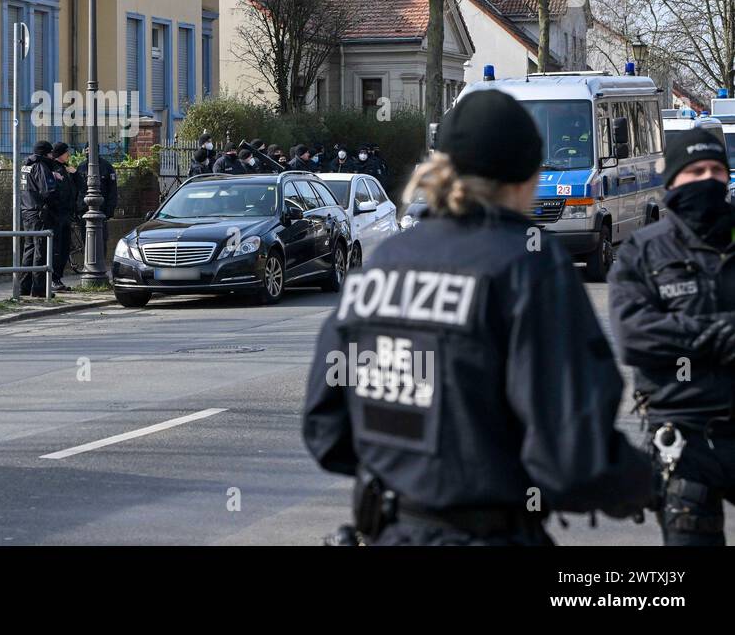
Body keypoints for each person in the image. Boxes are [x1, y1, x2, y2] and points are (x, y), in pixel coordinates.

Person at [303, 90, 651, 545]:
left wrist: (411, 469)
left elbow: (326, 430)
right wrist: (649, 483)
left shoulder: (384, 264)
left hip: (390, 528)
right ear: (527, 176)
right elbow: (572, 457)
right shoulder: (529, 265)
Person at [610, 128, 735, 545]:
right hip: (684, 438)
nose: (708, 179)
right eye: (696, 170)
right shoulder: (642, 251)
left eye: (717, 169)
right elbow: (634, 335)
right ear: (673, 182)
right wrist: (715, 336)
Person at [19, 140, 61, 296]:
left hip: (27, 211)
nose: (52, 156)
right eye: (50, 153)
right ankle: (39, 289)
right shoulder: (41, 166)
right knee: (41, 250)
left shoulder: (26, 165)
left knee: (29, 249)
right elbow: (48, 191)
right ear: (45, 153)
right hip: (39, 213)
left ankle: (24, 287)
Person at [50, 142, 78, 292]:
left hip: (66, 214)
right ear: (60, 153)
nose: (69, 155)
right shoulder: (54, 168)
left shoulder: (65, 169)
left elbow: (77, 188)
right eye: (67, 152)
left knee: (64, 248)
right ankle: (54, 279)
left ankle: (57, 278)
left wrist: (74, 173)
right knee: (57, 248)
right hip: (58, 216)